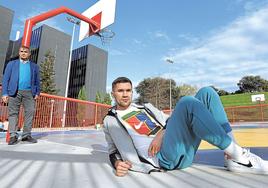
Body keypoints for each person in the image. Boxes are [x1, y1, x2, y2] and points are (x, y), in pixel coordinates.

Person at [103, 77, 268, 177]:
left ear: (132, 92)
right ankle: (241, 158)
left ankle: (234, 156)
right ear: (113, 93)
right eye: (120, 91)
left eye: (128, 90)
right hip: (162, 158)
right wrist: (117, 163)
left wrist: (161, 134)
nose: (125, 94)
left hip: (174, 145)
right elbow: (112, 150)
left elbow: (169, 120)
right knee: (186, 102)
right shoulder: (110, 120)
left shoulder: (145, 107)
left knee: (207, 92)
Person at [2, 46, 40, 145]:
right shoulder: (11, 64)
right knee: (13, 113)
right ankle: (13, 135)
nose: (23, 53)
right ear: (19, 53)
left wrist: (37, 93)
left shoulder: (34, 66)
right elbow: (6, 79)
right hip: (14, 92)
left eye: (25, 52)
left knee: (30, 112)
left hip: (29, 93)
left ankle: (26, 135)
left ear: (29, 54)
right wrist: (5, 93)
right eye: (21, 51)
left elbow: (37, 81)